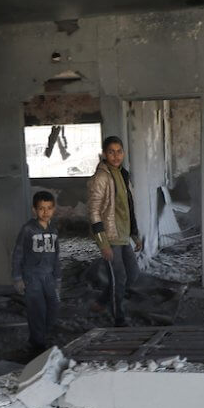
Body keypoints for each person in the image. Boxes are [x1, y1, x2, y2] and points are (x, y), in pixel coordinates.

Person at [87, 136, 143, 326]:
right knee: (119, 278)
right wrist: (103, 244)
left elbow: (129, 207)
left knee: (132, 274)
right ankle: (118, 318)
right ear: (104, 154)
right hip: (110, 237)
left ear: (123, 153)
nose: (116, 155)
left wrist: (135, 234)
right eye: (111, 151)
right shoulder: (100, 178)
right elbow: (94, 212)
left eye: (119, 151)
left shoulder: (123, 174)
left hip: (123, 235)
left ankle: (103, 301)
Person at [11, 191, 61, 351]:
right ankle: (37, 344)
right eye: (41, 208)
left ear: (54, 209)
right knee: (37, 309)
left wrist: (58, 278)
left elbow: (57, 255)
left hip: (49, 277)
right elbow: (18, 253)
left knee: (53, 306)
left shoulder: (53, 230)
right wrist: (18, 278)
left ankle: (44, 335)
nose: (45, 212)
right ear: (34, 210)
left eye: (49, 208)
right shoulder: (28, 229)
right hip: (32, 277)